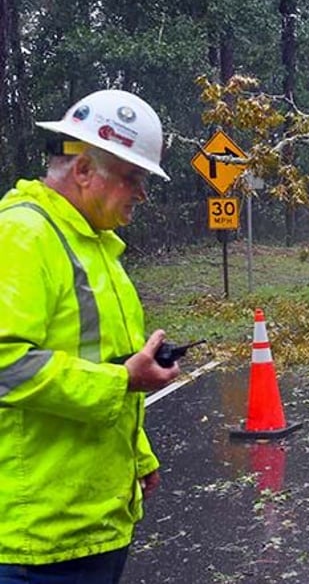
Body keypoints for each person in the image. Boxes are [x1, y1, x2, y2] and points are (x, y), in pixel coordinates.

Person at [0, 89, 181, 583]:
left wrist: (137, 454)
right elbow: (5, 366)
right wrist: (121, 381)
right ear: (83, 171)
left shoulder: (95, 243)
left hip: (94, 523)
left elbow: (102, 358)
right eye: (132, 178)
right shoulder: (22, 236)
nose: (141, 194)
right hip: (38, 541)